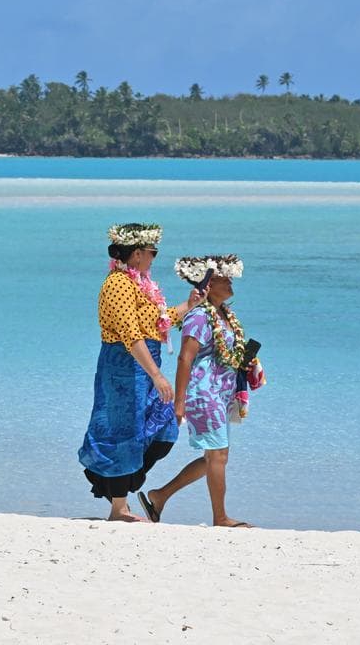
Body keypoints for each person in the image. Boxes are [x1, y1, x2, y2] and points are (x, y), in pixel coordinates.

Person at [78, 223, 206, 522]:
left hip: (146, 365)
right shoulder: (117, 285)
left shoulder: (141, 284)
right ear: (136, 254)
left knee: (163, 430)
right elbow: (131, 335)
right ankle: (118, 507)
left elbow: (157, 323)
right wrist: (157, 376)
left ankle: (122, 484)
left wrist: (189, 305)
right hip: (123, 367)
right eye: (152, 252)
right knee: (125, 429)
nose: (154, 258)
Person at [138, 254, 264, 528]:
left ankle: (160, 496)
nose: (230, 282)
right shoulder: (198, 316)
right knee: (217, 455)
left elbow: (226, 351)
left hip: (221, 393)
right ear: (208, 283)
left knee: (216, 457)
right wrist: (179, 404)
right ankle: (220, 518)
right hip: (203, 393)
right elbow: (185, 358)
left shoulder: (224, 314)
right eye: (224, 278)